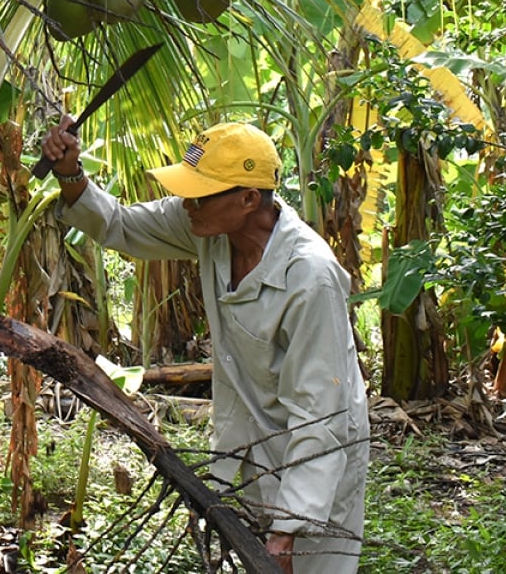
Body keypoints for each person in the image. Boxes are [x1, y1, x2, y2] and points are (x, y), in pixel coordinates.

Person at [41, 119, 369, 574]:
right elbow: (119, 224)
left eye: (200, 192)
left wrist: (289, 527)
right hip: (251, 443)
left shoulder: (309, 277)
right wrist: (71, 174)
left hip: (316, 458)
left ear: (249, 198)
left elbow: (321, 411)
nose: (187, 203)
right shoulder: (208, 225)